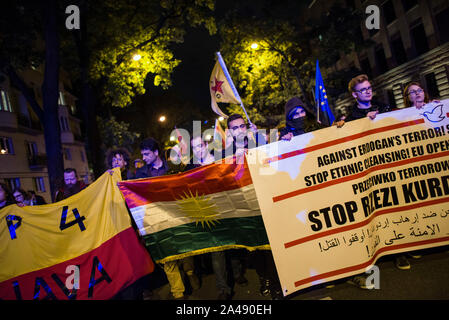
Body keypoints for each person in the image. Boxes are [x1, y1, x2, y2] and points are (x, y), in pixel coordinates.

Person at [137, 137, 199, 300]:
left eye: (146, 154)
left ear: (156, 153)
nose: (143, 158)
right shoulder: (140, 174)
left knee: (185, 251)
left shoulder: (172, 168)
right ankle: (178, 292)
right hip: (156, 221)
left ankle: (190, 272)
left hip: (176, 216)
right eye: (142, 154)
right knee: (167, 257)